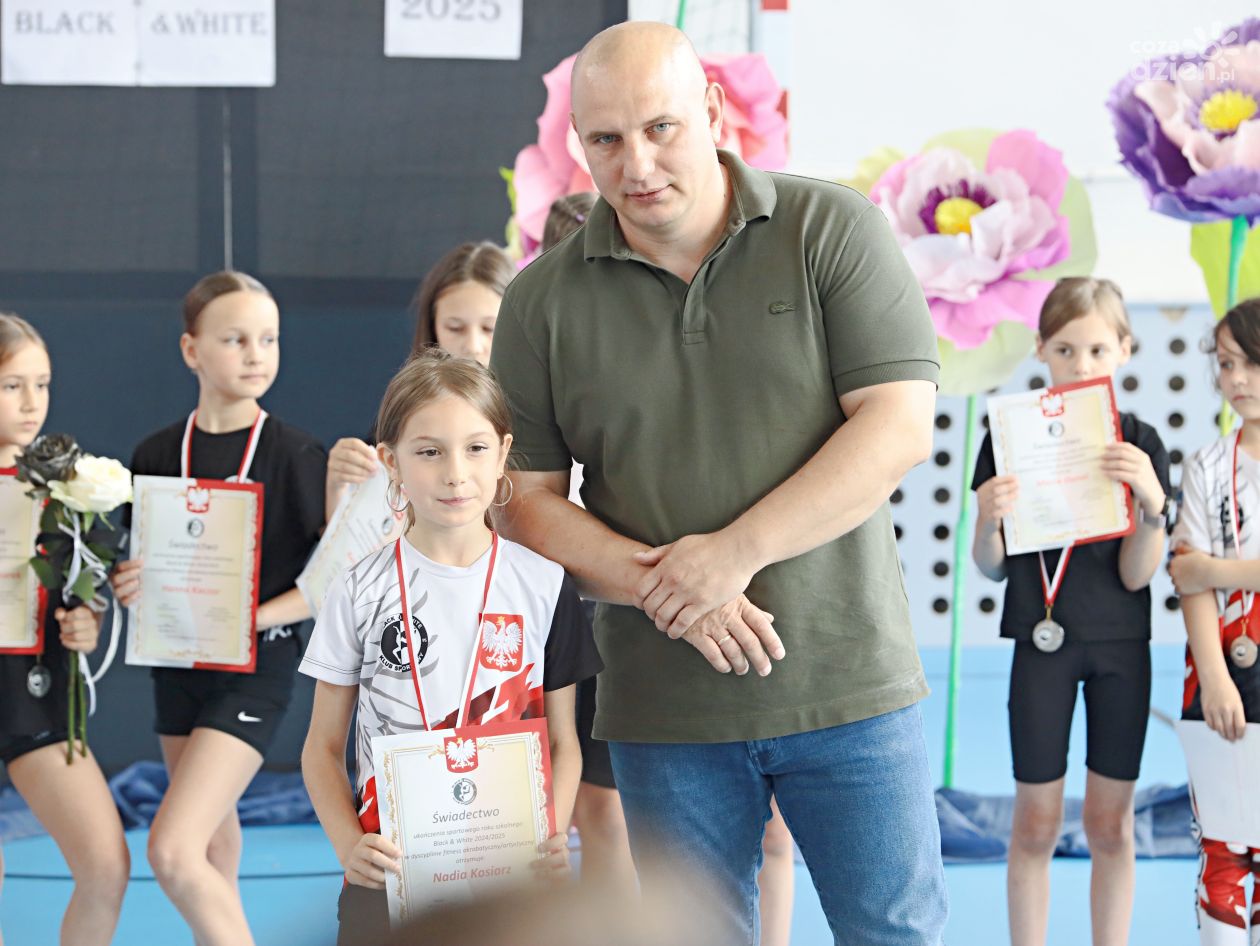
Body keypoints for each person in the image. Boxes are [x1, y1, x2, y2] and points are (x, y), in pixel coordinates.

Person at [489, 21, 947, 945]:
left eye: (660, 127)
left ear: (711, 110)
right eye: (606, 139)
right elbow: (523, 500)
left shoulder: (830, 229)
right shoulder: (539, 301)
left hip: (848, 684)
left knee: (896, 935)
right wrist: (673, 590)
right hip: (663, 707)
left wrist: (731, 557)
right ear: (579, 142)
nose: (636, 164)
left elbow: (896, 426)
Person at [299, 349, 602, 944]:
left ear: (504, 453)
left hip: (512, 879)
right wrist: (348, 846)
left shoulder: (543, 585)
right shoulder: (357, 589)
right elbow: (322, 746)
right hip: (390, 876)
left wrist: (552, 832)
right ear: (391, 461)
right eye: (429, 451)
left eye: (475, 448)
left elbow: (563, 743)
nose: (455, 473)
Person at [110, 271, 327, 946]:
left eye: (269, 339)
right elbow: (137, 564)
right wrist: (127, 583)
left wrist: (249, 619)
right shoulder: (153, 454)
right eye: (235, 340)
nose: (256, 354)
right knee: (210, 846)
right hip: (177, 664)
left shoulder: (297, 455)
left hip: (255, 670)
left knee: (171, 850)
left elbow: (331, 583)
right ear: (191, 350)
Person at [971, 277, 1170, 946]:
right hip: (1042, 643)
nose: (1081, 366)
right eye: (1065, 350)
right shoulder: (1010, 437)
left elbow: (1136, 575)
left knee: (1111, 825)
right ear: (1040, 350)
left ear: (1125, 350)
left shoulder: (1139, 442)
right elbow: (992, 566)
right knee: (1035, 824)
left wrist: (1152, 505)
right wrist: (987, 520)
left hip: (1121, 647)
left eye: (1097, 350)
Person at [0, 313, 129, 946]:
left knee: (105, 868)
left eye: (42, 384)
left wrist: (86, 622)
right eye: (11, 386)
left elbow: (82, 591)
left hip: (36, 692)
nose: (32, 403)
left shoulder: (68, 490)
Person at [1169, 298, 1260, 946]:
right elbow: (1186, 582)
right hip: (1222, 669)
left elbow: (1199, 572)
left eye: (1252, 363)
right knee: (1225, 844)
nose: (1237, 379)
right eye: (1227, 364)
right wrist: (1215, 678)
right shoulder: (1205, 465)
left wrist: (1213, 569)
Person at [324, 241, 514, 519]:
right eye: (455, 327)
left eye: (490, 328)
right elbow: (363, 535)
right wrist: (341, 487)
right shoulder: (403, 420)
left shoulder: (544, 421)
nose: (473, 345)